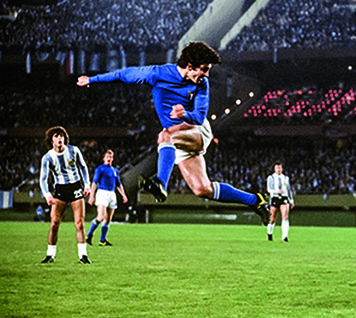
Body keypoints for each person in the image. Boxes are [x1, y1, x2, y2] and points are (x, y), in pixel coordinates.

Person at [77, 41, 269, 225]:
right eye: (203, 68)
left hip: (196, 131)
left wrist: (185, 113)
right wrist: (92, 80)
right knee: (203, 189)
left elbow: (201, 116)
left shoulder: (202, 84)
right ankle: (255, 200)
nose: (207, 74)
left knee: (164, 136)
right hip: (177, 140)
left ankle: (160, 182)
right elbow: (126, 74)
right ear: (190, 66)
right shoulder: (158, 73)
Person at [39, 126, 91, 264]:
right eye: (56, 136)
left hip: (75, 187)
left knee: (79, 223)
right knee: (54, 223)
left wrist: (87, 185)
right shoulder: (47, 157)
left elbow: (83, 167)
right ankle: (50, 255)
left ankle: (83, 256)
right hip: (60, 190)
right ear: (51, 140)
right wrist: (47, 195)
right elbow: (43, 178)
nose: (59, 138)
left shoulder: (74, 151)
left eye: (61, 135)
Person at [86, 150, 128, 246]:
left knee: (108, 219)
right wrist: (91, 196)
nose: (109, 159)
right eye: (107, 157)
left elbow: (118, 184)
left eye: (111, 157)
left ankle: (102, 240)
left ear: (112, 159)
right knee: (101, 217)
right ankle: (89, 235)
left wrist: (123, 195)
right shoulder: (100, 169)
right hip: (102, 193)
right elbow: (94, 183)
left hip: (112, 194)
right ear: (104, 158)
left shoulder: (114, 170)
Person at [266, 162, 294, 242]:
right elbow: (268, 189)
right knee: (272, 218)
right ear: (274, 169)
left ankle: (284, 237)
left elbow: (289, 190)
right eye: (277, 168)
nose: (278, 169)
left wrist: (291, 200)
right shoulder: (271, 178)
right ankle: (269, 232)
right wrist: (276, 191)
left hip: (284, 198)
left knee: (285, 216)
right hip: (275, 197)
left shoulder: (285, 178)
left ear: (282, 169)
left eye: (280, 168)